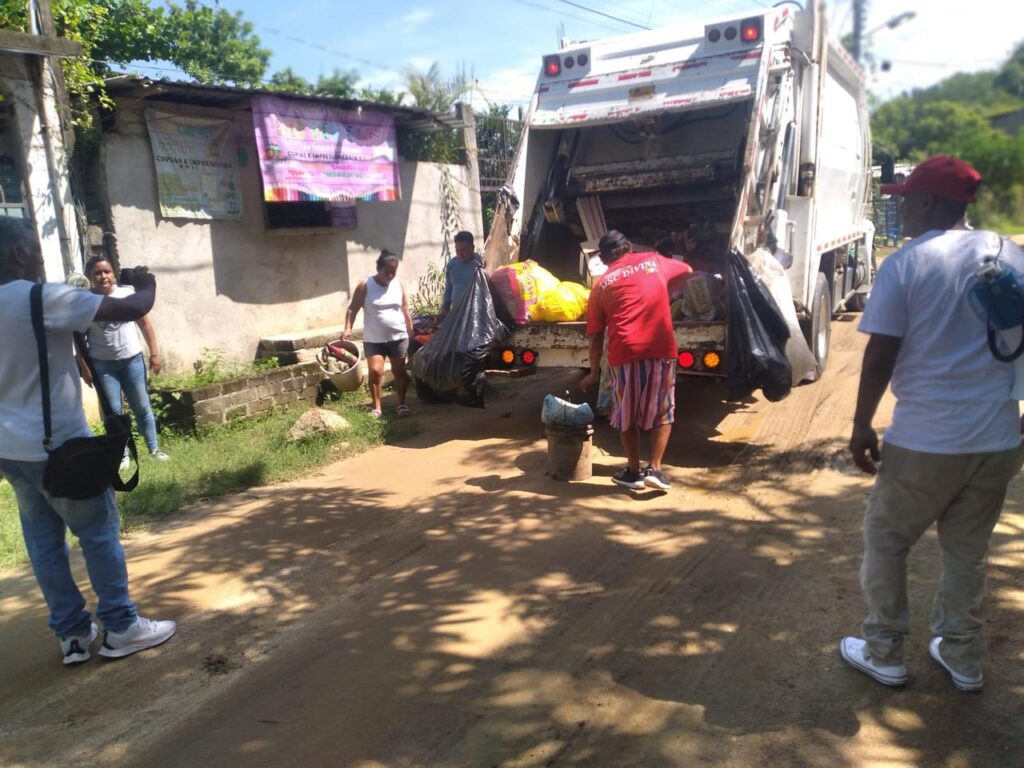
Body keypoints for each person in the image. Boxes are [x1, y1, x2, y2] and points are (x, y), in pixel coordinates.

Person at [842, 156, 1024, 692]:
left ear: (926, 201)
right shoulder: (1010, 254)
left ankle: (884, 651)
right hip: (998, 438)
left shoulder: (906, 263)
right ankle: (963, 658)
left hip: (925, 441)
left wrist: (861, 425)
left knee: (887, 539)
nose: (901, 209)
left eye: (905, 200)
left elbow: (881, 353)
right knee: (967, 550)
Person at [0, 218, 176, 665]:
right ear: (18, 254)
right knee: (98, 533)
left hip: (11, 452)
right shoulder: (41, 298)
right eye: (35, 249)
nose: (41, 258)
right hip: (58, 447)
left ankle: (74, 636)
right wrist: (146, 283)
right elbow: (131, 307)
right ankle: (121, 626)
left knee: (44, 543)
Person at [580, 230, 693, 490]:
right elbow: (687, 270)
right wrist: (662, 288)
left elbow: (595, 336)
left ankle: (633, 472)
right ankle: (655, 469)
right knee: (662, 410)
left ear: (604, 259)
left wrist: (594, 372)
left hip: (624, 353)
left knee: (625, 414)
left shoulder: (600, 286)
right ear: (629, 247)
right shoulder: (654, 261)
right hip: (660, 348)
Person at [82, 256, 168, 462]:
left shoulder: (127, 294)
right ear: (90, 277)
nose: (103, 276)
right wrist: (84, 366)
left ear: (113, 273)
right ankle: (122, 455)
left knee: (142, 406)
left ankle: (154, 449)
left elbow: (145, 324)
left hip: (132, 360)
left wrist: (154, 353)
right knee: (113, 412)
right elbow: (78, 336)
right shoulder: (85, 301)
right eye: (97, 273)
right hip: (103, 365)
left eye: (107, 271)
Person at [344, 250, 414, 418]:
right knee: (375, 371)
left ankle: (402, 404)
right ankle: (377, 408)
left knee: (399, 371)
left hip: (398, 337)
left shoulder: (398, 285)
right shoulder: (365, 285)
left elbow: (405, 308)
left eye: (393, 272)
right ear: (378, 268)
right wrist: (348, 328)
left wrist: (410, 329)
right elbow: (353, 308)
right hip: (374, 339)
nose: (390, 275)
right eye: (387, 271)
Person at [441, 230, 484, 315]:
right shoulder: (452, 265)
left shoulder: (479, 264)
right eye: (457, 250)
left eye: (463, 250)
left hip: (476, 314)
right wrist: (445, 308)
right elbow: (448, 289)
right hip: (457, 314)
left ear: (472, 248)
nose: (460, 253)